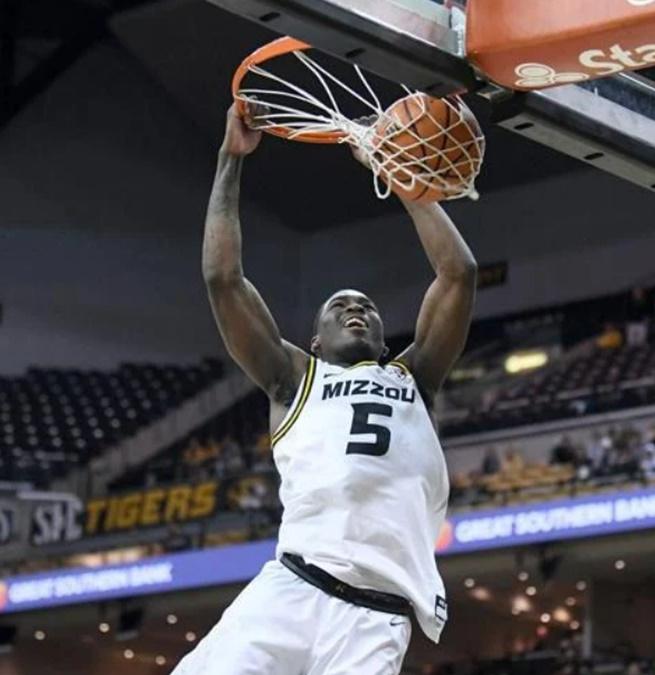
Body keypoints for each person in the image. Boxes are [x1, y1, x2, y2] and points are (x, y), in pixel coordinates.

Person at [172, 104, 478, 674]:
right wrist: (229, 161)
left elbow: (458, 274)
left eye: (366, 307)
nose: (356, 309)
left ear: (387, 341)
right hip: (291, 590)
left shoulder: (414, 377)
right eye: (340, 307)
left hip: (377, 615)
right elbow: (223, 279)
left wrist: (397, 175)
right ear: (314, 340)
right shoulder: (294, 379)